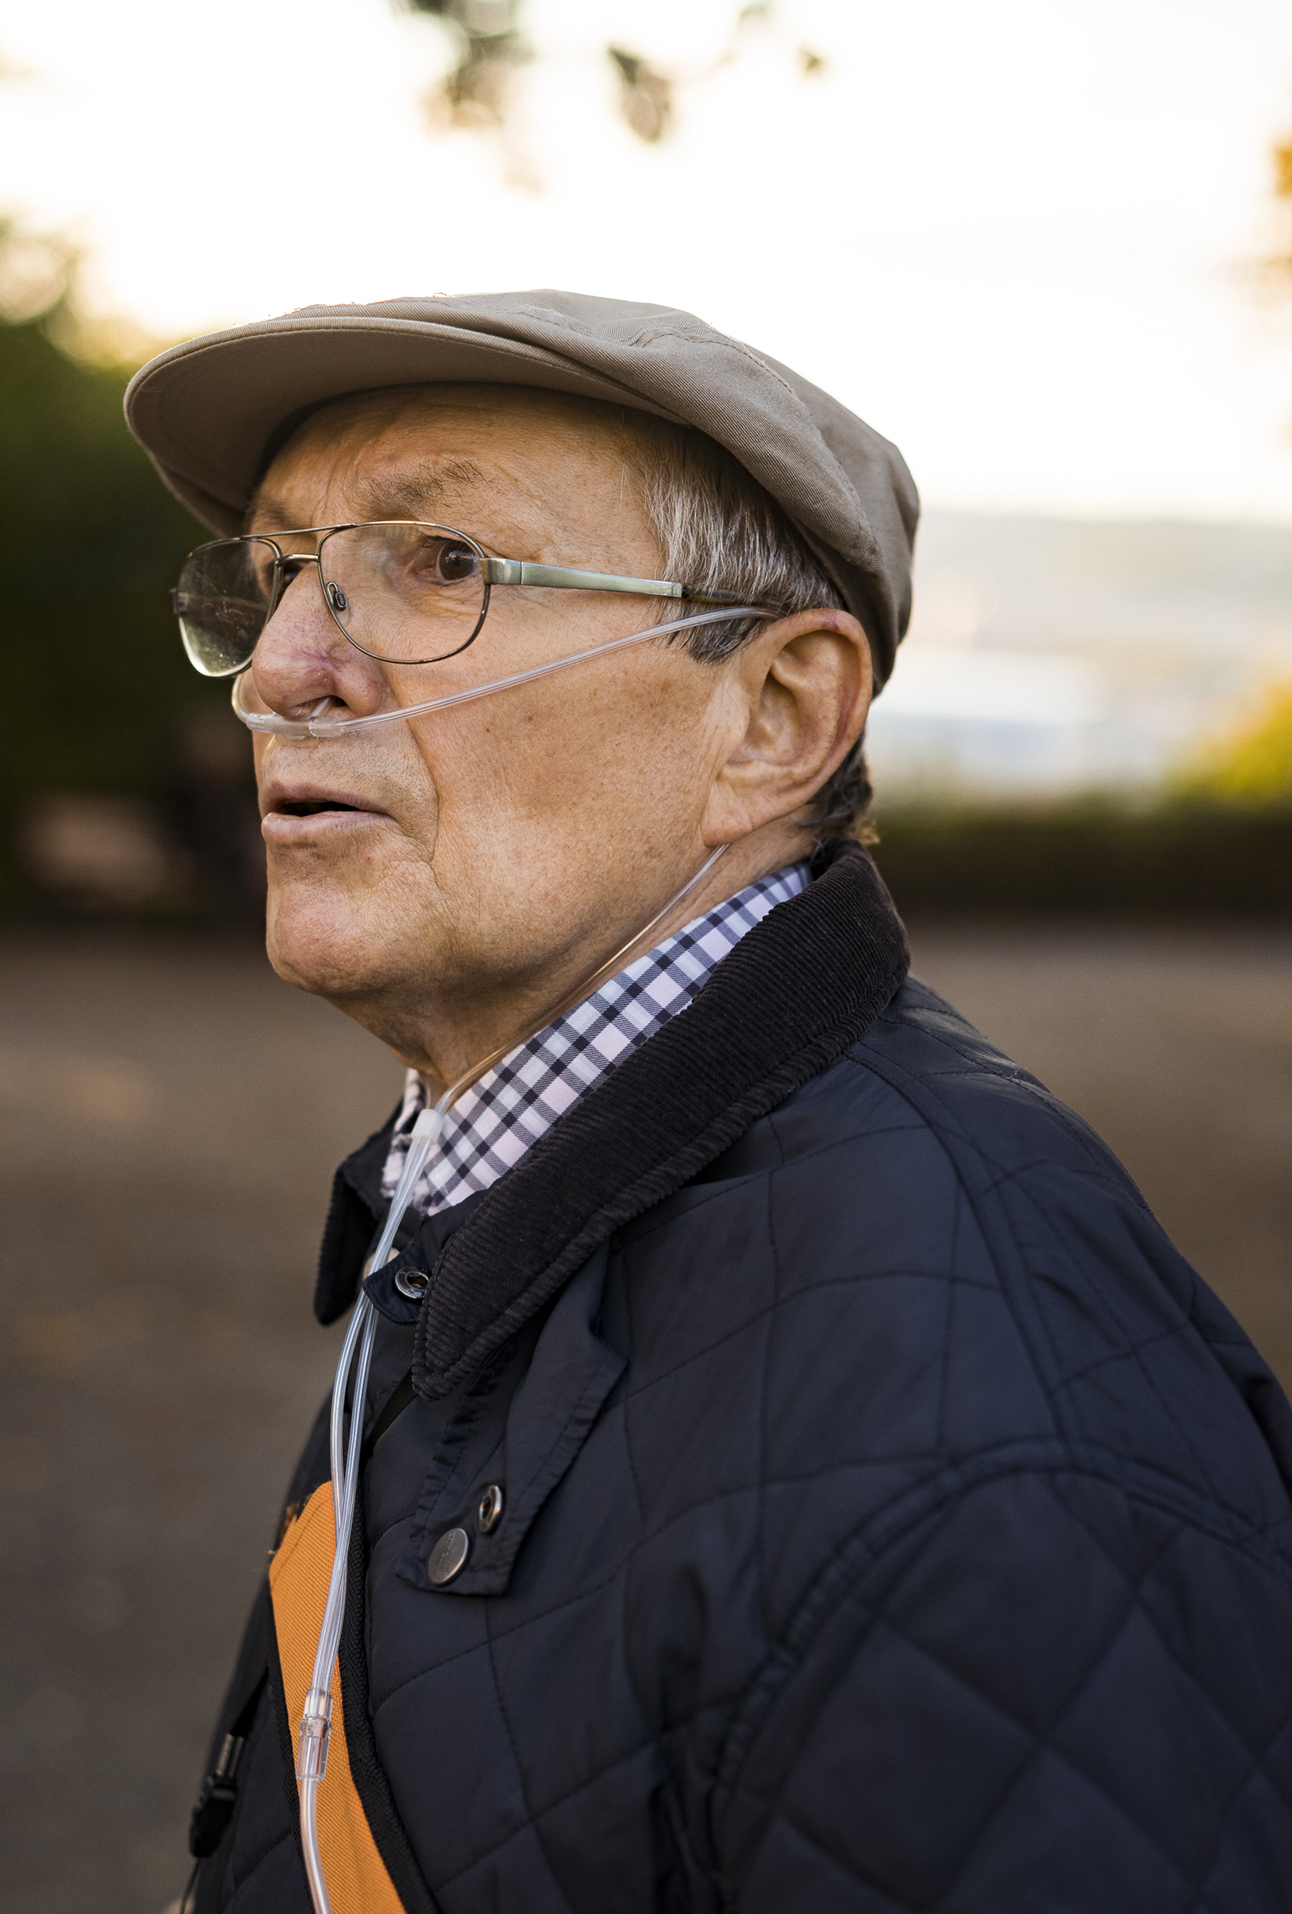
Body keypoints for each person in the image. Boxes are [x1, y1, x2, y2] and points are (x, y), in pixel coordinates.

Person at [126, 291, 1292, 1914]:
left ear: (775, 717)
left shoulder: (985, 1443)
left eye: (442, 562)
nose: (279, 673)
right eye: (275, 579)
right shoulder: (492, 1178)